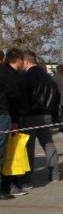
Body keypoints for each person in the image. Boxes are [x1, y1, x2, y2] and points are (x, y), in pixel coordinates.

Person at [17, 51, 60, 188]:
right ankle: (55, 173)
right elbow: (56, 95)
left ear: (26, 61)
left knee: (29, 148)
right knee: (48, 143)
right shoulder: (47, 76)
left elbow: (23, 96)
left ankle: (27, 179)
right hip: (46, 114)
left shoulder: (26, 76)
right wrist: (53, 114)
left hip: (31, 115)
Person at [0, 48, 26, 198]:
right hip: (4, 113)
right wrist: (15, 120)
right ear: (19, 59)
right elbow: (15, 97)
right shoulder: (8, 74)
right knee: (2, 151)